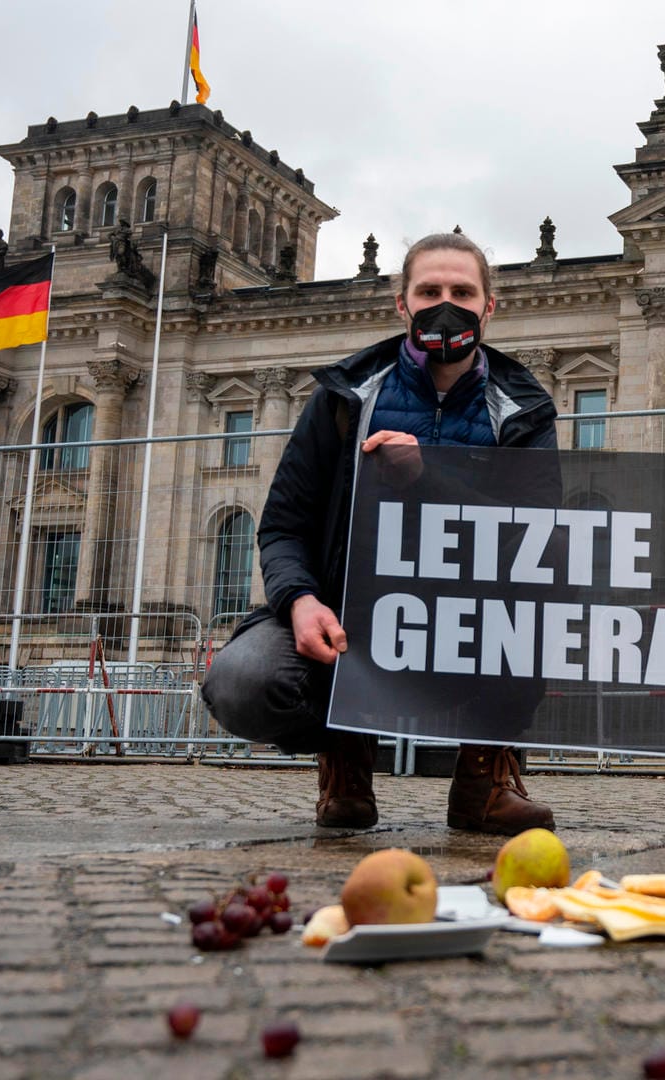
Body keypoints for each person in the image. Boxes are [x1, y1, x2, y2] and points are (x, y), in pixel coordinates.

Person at [201, 233, 561, 834]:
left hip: (464, 628)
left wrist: (428, 479)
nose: (445, 305)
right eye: (429, 291)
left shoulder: (522, 408)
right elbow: (284, 523)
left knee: (550, 601)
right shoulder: (345, 397)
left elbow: (536, 535)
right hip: (349, 623)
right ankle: (344, 757)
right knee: (244, 682)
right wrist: (301, 600)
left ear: (489, 306)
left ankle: (482, 779)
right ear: (401, 303)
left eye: (462, 292)